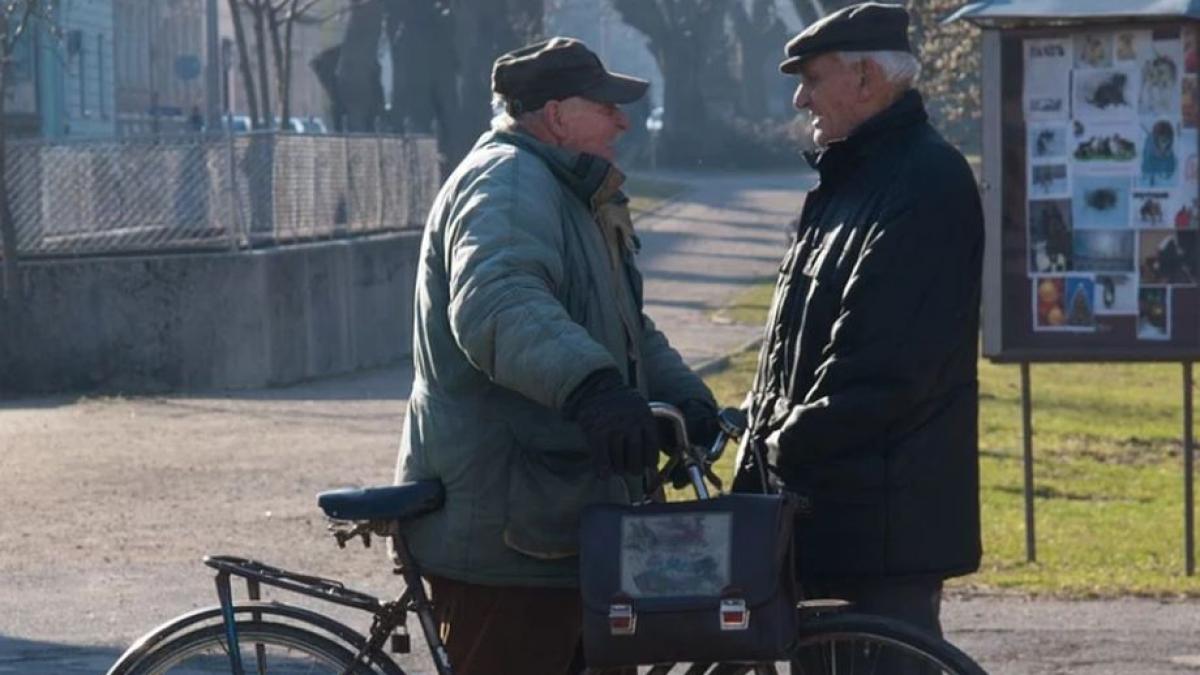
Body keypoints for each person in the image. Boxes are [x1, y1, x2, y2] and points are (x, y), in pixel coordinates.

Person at [393, 36, 719, 675]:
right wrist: (594, 390)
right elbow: (499, 304)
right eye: (606, 105)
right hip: (509, 531)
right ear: (557, 113)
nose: (622, 120)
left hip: (561, 518)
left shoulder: (570, 189)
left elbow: (625, 326)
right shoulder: (509, 182)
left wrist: (688, 400)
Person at [736, 1, 984, 643]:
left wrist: (779, 443)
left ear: (867, 78)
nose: (799, 100)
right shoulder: (850, 178)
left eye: (813, 79)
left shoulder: (925, 181)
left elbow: (882, 370)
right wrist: (752, 427)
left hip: (883, 531)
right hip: (835, 518)